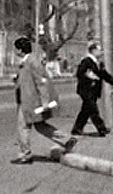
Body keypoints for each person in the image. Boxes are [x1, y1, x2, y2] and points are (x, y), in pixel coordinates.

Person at [11, 36, 76, 164]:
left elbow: (42, 81)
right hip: (28, 100)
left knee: (23, 127)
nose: (15, 51)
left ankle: (25, 154)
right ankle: (66, 139)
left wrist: (45, 101)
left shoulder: (32, 62)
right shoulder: (27, 61)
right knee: (40, 126)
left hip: (31, 102)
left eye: (16, 49)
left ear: (20, 50)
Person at [70, 41, 113, 137]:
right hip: (86, 90)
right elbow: (79, 73)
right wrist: (89, 77)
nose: (101, 52)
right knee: (93, 109)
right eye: (99, 49)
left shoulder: (98, 63)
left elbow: (104, 74)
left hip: (94, 90)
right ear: (93, 50)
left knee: (86, 110)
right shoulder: (86, 61)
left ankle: (77, 129)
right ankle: (101, 128)